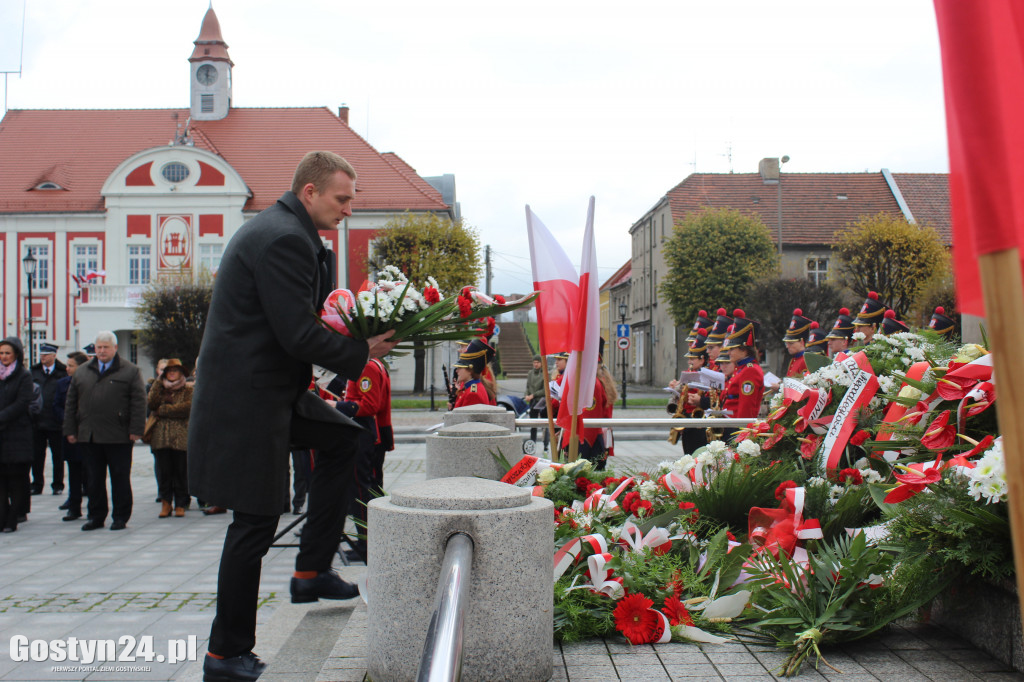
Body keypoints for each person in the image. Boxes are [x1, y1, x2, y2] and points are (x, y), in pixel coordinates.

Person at [188, 151, 397, 682]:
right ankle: (225, 654)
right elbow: (297, 333)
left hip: (272, 390)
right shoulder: (284, 238)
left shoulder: (291, 232)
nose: (349, 208)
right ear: (310, 192)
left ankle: (309, 572)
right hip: (248, 400)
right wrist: (363, 352)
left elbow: (300, 325)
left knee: (343, 439)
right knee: (254, 523)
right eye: (342, 198)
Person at [63, 331, 146, 532]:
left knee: (120, 478)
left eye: (106, 347)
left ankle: (120, 516)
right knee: (94, 479)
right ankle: (96, 516)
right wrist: (70, 429)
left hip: (119, 435)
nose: (101, 351)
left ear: (115, 348)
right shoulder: (82, 372)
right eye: (99, 347)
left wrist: (136, 429)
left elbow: (138, 402)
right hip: (90, 435)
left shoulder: (130, 371)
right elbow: (71, 402)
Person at [334, 357, 393, 562]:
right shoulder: (374, 363)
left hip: (365, 436)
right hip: (371, 435)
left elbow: (369, 405)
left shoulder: (366, 365)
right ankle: (370, 542)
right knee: (370, 490)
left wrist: (336, 405)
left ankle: (366, 544)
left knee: (361, 491)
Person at [147, 359, 193, 518]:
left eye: (175, 370)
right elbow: (151, 404)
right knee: (164, 472)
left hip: (180, 437)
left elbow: (186, 408)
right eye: (169, 370)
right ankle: (166, 503)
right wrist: (158, 384)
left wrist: (164, 410)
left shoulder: (187, 390)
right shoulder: (159, 388)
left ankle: (180, 504)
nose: (172, 373)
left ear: (181, 373)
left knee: (181, 472)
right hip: (160, 437)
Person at [0, 338, 34, 532]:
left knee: (16, 480)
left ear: (16, 355)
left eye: (7, 353)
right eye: (1, 353)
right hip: (1, 436)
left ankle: (13, 518)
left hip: (17, 435)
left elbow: (22, 402)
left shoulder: (24, 375)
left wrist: (2, 416)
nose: (4, 357)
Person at [29, 343, 67, 497]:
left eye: (46, 354)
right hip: (37, 421)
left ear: (54, 355)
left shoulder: (62, 372)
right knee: (37, 456)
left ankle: (58, 484)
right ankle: (37, 484)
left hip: (55, 421)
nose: (43, 357)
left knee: (58, 456)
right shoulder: (34, 371)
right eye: (41, 354)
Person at [54, 351, 89, 521]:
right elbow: (57, 406)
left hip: (88, 431)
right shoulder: (62, 384)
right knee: (73, 471)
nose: (67, 369)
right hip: (70, 433)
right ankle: (74, 506)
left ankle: (94, 507)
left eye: (71, 366)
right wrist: (68, 422)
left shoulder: (90, 382)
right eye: (67, 365)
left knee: (90, 472)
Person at [668, 328, 713, 454]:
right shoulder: (690, 373)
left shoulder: (707, 373)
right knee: (687, 453)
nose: (689, 362)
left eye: (692, 359)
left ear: (702, 359)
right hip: (687, 418)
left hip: (699, 421)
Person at [721, 310, 765, 430]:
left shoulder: (750, 371)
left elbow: (746, 408)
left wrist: (741, 432)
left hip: (736, 427)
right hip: (730, 423)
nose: (728, 352)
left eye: (732, 349)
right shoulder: (741, 368)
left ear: (743, 349)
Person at [449, 339, 497, 408]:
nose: (457, 371)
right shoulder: (470, 388)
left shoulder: (473, 394)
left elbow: (467, 418)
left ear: (470, 370)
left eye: (460, 367)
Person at [782, 309, 815, 378]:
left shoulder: (806, 361)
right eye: (786, 343)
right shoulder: (794, 359)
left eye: (791, 343)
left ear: (801, 342)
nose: (787, 346)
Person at [524, 354, 547, 448]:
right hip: (532, 401)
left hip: (541, 401)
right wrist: (526, 395)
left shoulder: (545, 373)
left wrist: (533, 395)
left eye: (537, 362)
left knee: (544, 424)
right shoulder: (530, 373)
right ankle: (532, 443)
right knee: (533, 423)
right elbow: (528, 386)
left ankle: (546, 443)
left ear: (541, 363)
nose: (535, 364)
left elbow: (545, 389)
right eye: (534, 362)